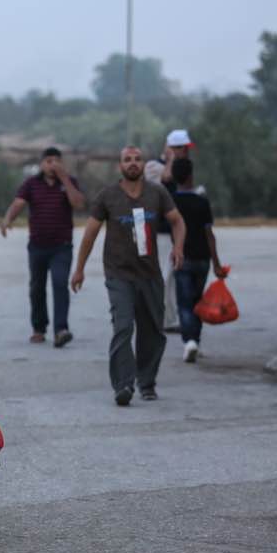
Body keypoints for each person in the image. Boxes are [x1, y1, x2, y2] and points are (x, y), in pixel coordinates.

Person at [71, 146, 186, 406]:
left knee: (152, 331)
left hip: (150, 274)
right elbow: (90, 233)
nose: (133, 163)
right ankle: (123, 384)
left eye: (137, 159)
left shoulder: (157, 193)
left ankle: (147, 382)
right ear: (120, 165)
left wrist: (178, 247)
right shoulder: (107, 196)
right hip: (119, 274)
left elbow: (177, 221)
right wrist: (79, 268)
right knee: (123, 327)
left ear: (144, 164)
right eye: (127, 159)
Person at [0, 147, 86, 347]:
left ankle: (61, 330)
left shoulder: (70, 182)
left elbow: (79, 204)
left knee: (60, 284)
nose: (52, 164)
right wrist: (7, 219)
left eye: (57, 161)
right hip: (37, 246)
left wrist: (64, 179)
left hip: (62, 247)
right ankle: (39, 329)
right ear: (41, 164)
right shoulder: (31, 183)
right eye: (48, 161)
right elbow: (18, 203)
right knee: (37, 288)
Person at [170, 158, 227, 362]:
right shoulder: (202, 202)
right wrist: (216, 263)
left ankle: (189, 341)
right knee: (197, 301)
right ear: (191, 176)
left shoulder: (171, 203)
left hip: (181, 258)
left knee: (184, 303)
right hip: (202, 259)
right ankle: (196, 340)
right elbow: (209, 235)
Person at [146, 129, 194, 332]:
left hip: (178, 230)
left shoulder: (183, 167)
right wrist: (171, 158)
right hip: (161, 231)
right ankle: (160, 318)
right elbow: (166, 178)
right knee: (164, 276)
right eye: (182, 148)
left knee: (175, 277)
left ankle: (171, 319)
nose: (186, 152)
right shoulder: (153, 166)